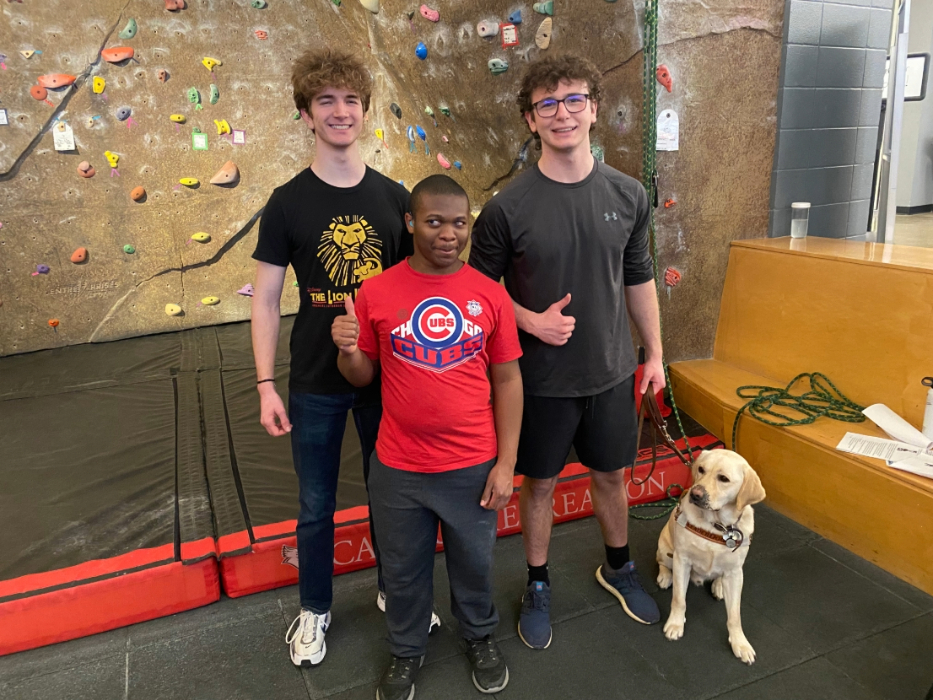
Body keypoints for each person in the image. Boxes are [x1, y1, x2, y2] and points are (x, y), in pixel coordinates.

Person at [469, 54, 666, 650]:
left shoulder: (629, 194)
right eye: (547, 104)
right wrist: (530, 320)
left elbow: (638, 275)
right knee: (541, 485)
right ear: (531, 119)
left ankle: (619, 567)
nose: (563, 114)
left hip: (610, 372)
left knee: (612, 476)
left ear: (594, 109)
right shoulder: (507, 208)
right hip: (541, 379)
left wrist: (653, 353)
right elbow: (478, 294)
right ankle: (537, 582)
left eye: (574, 100)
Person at [250, 47, 439, 668]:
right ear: (306, 113)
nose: (339, 111)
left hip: (389, 377)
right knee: (315, 504)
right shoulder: (286, 202)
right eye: (325, 101)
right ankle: (315, 610)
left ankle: (396, 592)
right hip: (312, 379)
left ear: (364, 111)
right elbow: (268, 296)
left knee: (395, 495)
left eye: (350, 100)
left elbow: (426, 283)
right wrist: (264, 384)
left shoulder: (394, 198)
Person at [331, 175, 523, 700]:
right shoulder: (376, 292)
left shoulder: (489, 295)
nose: (448, 234)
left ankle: (480, 637)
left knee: (475, 565)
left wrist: (506, 463)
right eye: (434, 222)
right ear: (411, 223)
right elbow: (363, 377)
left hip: (472, 466)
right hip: (398, 468)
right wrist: (348, 351)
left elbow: (508, 380)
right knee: (402, 571)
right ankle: (406, 650)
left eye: (459, 223)